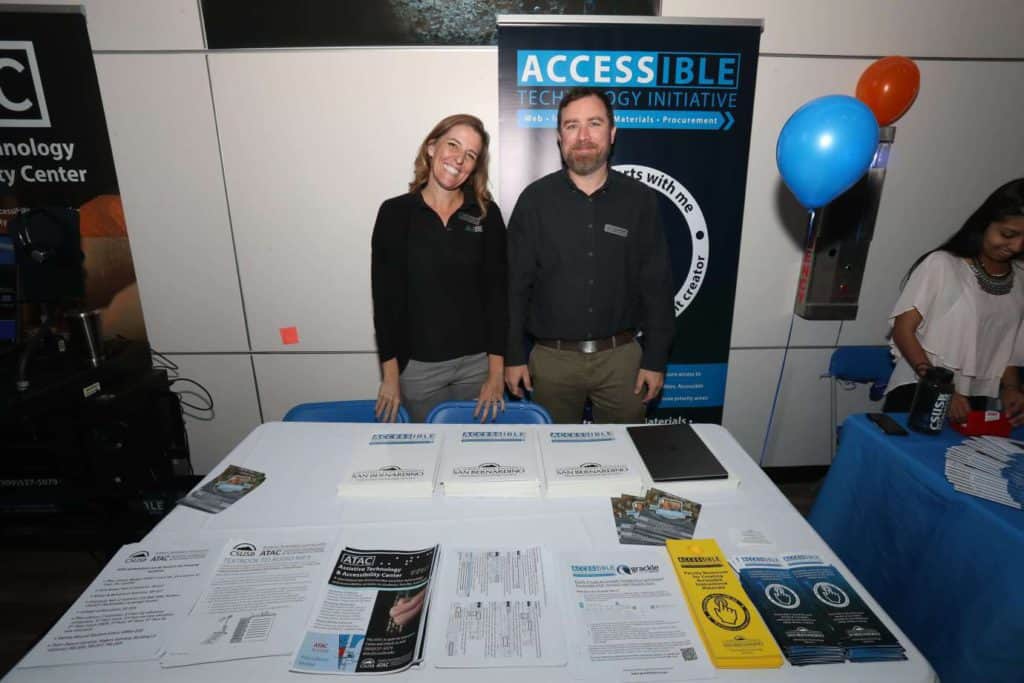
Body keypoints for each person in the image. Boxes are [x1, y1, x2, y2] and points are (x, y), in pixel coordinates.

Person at [504, 88, 674, 424]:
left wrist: (655, 359)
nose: (583, 136)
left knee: (624, 460)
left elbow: (656, 284)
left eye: (594, 124)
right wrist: (513, 356)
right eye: (571, 125)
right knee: (552, 460)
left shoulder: (639, 200)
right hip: (552, 362)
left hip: (623, 360)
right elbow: (514, 287)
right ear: (559, 137)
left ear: (611, 134)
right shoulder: (534, 201)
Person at [371, 114, 507, 423]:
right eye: (453, 145)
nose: (459, 160)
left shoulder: (487, 214)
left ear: (475, 166)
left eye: (470, 155)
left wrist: (496, 373)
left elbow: (498, 298)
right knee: (428, 458)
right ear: (432, 147)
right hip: (419, 370)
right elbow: (385, 300)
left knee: (476, 459)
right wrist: (390, 377)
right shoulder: (395, 213)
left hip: (478, 367)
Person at [884, 178, 1024, 426]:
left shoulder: (1020, 278)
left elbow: (1009, 346)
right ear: (985, 224)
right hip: (921, 391)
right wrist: (940, 386)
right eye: (1008, 234)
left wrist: (1012, 389)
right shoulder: (943, 265)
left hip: (976, 400)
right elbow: (903, 330)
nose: (1016, 246)